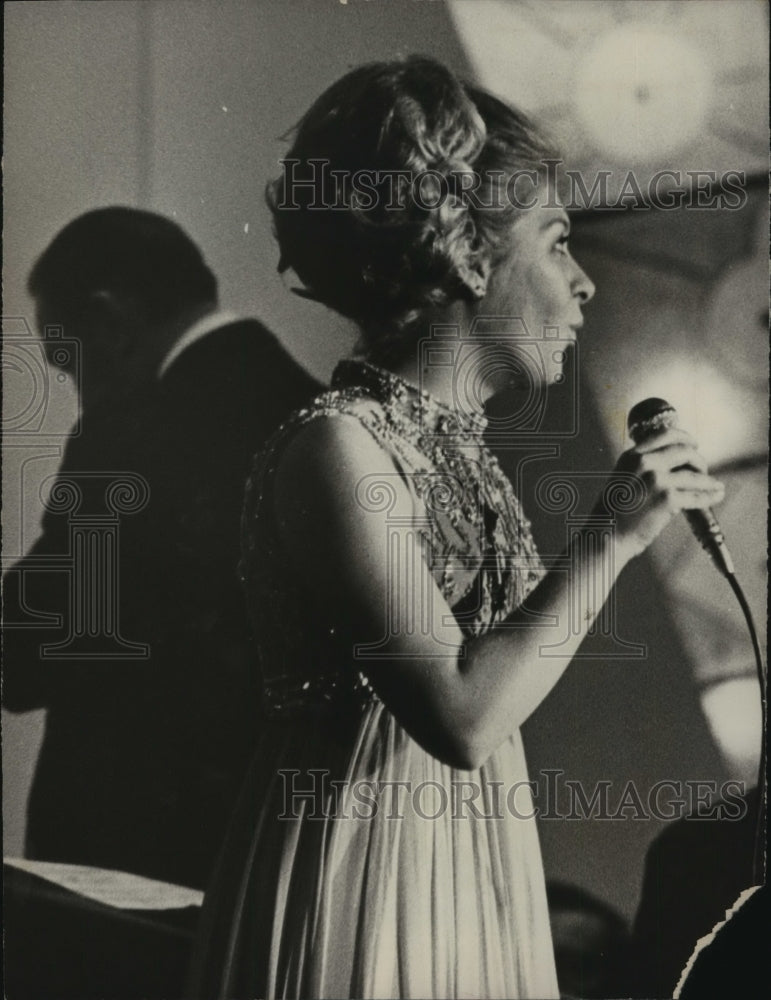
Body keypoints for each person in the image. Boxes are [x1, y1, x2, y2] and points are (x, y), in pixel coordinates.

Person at [191, 57, 725, 998]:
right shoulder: (339, 449)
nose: (581, 285)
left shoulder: (460, 457)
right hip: (366, 880)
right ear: (470, 257)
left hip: (467, 871)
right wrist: (610, 537)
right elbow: (462, 716)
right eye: (556, 243)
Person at [2, 208, 320, 889]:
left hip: (132, 863)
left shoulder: (129, 433)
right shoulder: (318, 411)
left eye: (67, 359)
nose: (75, 387)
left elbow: (31, 649)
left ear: (109, 319)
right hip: (274, 849)